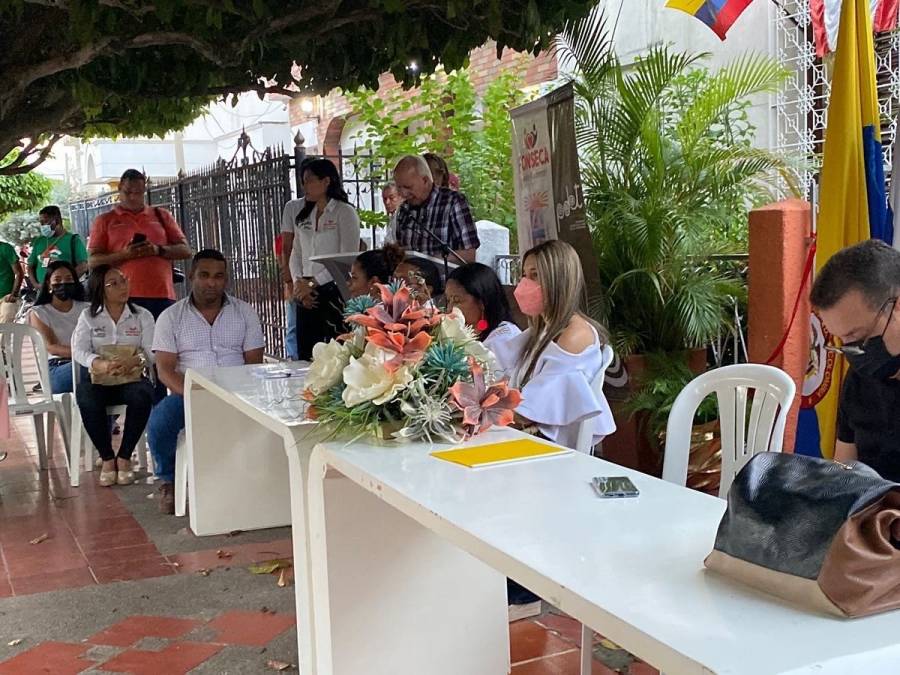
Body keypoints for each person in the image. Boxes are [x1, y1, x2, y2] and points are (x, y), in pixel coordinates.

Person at [148, 249, 265, 514]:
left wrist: (239, 395)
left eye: (218, 276)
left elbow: (254, 364)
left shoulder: (244, 313)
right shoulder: (171, 317)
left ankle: (259, 483)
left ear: (225, 280)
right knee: (160, 422)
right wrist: (194, 394)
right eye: (204, 275)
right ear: (191, 276)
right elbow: (165, 370)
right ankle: (168, 480)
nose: (211, 282)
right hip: (189, 393)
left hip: (238, 393)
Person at [495, 239, 616, 450]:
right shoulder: (542, 330)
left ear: (557, 280)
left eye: (535, 276)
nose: (524, 284)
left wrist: (480, 413)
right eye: (524, 275)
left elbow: (530, 410)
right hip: (529, 440)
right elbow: (495, 362)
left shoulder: (575, 335)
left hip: (548, 450)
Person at [810, 239, 900, 481]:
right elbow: (843, 475)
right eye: (842, 341)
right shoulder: (860, 381)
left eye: (857, 336)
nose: (854, 352)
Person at [71, 265, 155, 487]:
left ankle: (125, 456)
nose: (122, 287)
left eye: (124, 280)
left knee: (143, 394)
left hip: (131, 378)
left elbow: (152, 351)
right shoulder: (88, 316)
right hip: (101, 380)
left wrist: (136, 361)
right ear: (100, 289)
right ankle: (107, 457)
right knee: (86, 395)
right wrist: (98, 363)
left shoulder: (141, 315)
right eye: (113, 283)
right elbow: (78, 350)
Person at [278, 159, 361, 360]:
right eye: (303, 181)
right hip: (304, 289)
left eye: (309, 180)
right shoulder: (305, 214)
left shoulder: (344, 212)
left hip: (333, 288)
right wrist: (299, 283)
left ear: (326, 181)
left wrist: (313, 283)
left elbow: (346, 259)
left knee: (335, 352)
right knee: (307, 352)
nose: (304, 186)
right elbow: (296, 252)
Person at [87, 169, 192, 319]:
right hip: (122, 297)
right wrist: (124, 255)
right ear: (119, 189)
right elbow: (93, 261)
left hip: (162, 295)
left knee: (162, 341)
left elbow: (186, 251)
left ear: (144, 190)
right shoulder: (105, 220)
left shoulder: (161, 216)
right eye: (128, 192)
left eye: (138, 193)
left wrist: (157, 250)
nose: (133, 197)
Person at [392, 155, 479, 262]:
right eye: (399, 187)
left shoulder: (453, 202)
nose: (403, 193)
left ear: (425, 180)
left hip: (446, 278)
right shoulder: (404, 210)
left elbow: (469, 255)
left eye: (408, 187)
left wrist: (430, 261)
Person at [28, 261, 89, 394]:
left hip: (86, 362)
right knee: (91, 369)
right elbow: (51, 347)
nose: (63, 284)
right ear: (49, 284)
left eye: (68, 279)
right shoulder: (39, 312)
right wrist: (88, 357)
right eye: (57, 280)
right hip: (57, 368)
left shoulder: (86, 309)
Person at [445, 262, 521, 356]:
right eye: (448, 300)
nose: (449, 309)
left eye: (457, 301)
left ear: (482, 302)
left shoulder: (502, 340)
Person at [27, 205, 88, 287]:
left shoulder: (73, 240)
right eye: (40, 223)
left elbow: (83, 266)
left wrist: (65, 282)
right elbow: (30, 266)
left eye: (45, 222)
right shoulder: (39, 241)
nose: (42, 226)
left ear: (57, 221)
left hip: (65, 291)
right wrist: (36, 285)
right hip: (42, 291)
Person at [274, 232, 300, 360]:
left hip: (307, 284)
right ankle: (292, 356)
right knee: (293, 325)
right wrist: (289, 284)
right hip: (293, 285)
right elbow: (282, 264)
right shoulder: (283, 239)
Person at [0, 239, 23, 323]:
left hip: (6, 298)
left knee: (4, 331)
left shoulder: (5, 248)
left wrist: (14, 294)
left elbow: (19, 273)